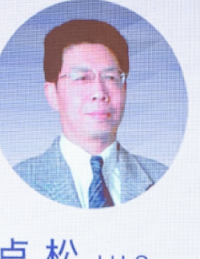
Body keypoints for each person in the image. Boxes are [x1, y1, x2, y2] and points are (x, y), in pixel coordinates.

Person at [14, 19, 168, 207]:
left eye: (110, 77)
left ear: (124, 88)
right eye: (82, 78)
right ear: (52, 94)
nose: (99, 93)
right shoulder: (16, 182)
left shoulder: (163, 178)